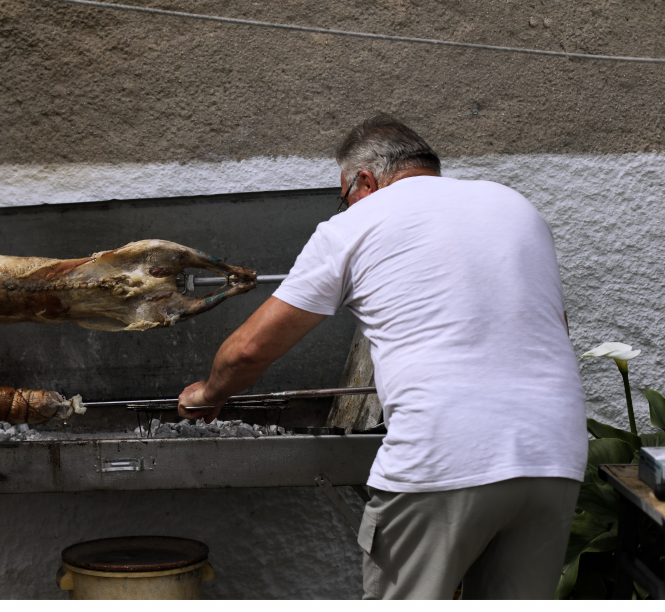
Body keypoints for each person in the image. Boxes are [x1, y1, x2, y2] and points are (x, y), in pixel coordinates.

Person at [177, 115, 587, 599]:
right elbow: (553, 329)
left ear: (364, 180)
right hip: (555, 455)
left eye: (343, 194)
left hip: (443, 458)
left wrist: (208, 394)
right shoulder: (516, 206)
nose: (344, 204)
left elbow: (249, 349)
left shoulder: (355, 225)